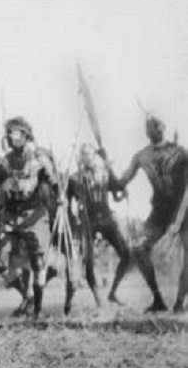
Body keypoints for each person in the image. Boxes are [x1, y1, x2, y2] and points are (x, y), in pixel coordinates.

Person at [0, 117, 58, 319]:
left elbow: (54, 183)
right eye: (9, 134)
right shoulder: (6, 161)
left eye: (15, 134)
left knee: (38, 263)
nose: (10, 138)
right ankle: (26, 294)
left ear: (25, 135)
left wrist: (56, 187)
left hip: (35, 214)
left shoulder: (38, 157)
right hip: (12, 215)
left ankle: (37, 311)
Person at [106, 115, 188, 312]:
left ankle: (179, 303)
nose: (153, 129)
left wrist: (176, 225)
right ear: (146, 131)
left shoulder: (180, 152)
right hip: (158, 214)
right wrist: (107, 165)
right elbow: (119, 184)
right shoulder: (141, 156)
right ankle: (158, 300)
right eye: (150, 126)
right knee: (139, 249)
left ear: (164, 127)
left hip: (184, 212)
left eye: (157, 125)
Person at [67, 143, 130, 306]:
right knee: (88, 261)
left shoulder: (105, 173)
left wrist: (110, 165)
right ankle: (98, 299)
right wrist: (71, 216)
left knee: (126, 254)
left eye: (90, 154)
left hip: (107, 218)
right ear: (80, 158)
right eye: (84, 155)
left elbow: (117, 187)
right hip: (88, 221)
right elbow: (65, 199)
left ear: (95, 156)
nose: (87, 157)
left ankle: (113, 293)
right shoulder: (74, 178)